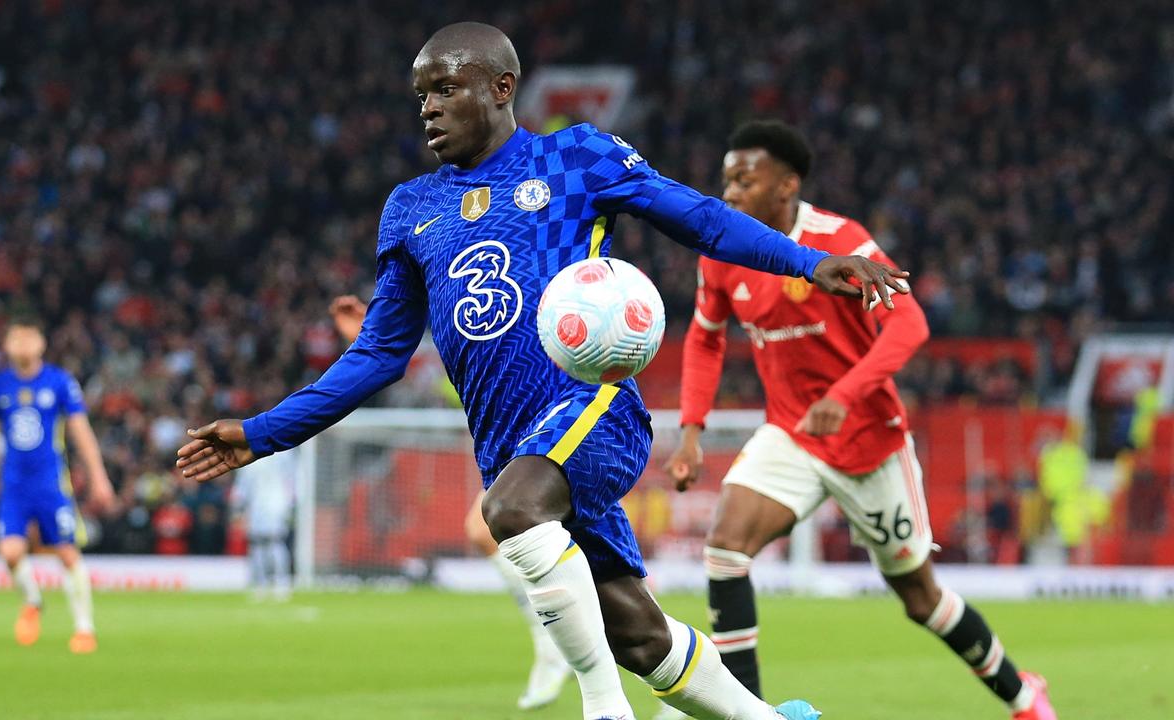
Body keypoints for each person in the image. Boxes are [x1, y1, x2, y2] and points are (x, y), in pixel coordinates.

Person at [178, 22, 908, 720]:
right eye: (420, 95)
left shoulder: (575, 159)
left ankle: (602, 711)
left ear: (502, 88)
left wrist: (812, 263)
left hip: (593, 411)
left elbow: (702, 219)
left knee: (509, 514)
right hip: (511, 447)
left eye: (445, 88)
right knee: (639, 636)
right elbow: (377, 355)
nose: (428, 107)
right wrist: (262, 433)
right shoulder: (411, 209)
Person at [662, 120, 1056, 720]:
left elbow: (910, 322)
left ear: (787, 184)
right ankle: (746, 712)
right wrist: (691, 431)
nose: (731, 192)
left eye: (745, 179)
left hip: (868, 443)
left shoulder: (840, 238)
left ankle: (1024, 697)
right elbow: (706, 339)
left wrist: (844, 395)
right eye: (726, 180)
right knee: (725, 548)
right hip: (791, 433)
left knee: (920, 598)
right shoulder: (724, 251)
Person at [331, 294, 572, 709]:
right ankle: (567, 647)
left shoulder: (514, 287)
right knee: (493, 532)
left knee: (598, 563)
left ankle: (580, 652)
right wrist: (373, 339)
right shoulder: (460, 319)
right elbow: (446, 375)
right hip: (520, 430)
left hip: (561, 416)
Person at [0, 317, 115, 653]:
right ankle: (33, 601)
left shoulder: (59, 382)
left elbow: (81, 432)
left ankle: (84, 628)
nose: (22, 345)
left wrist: (99, 477)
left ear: (41, 343)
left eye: (28, 338)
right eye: (15, 339)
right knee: (9, 552)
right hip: (14, 486)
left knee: (66, 552)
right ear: (6, 346)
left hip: (51, 484)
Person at [232, 449, 298, 601]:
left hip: (277, 503)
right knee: (257, 544)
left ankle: (282, 583)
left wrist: (291, 503)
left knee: (275, 541)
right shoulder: (250, 450)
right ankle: (260, 584)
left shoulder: (284, 452)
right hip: (256, 505)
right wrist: (239, 504)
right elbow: (244, 482)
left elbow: (292, 477)